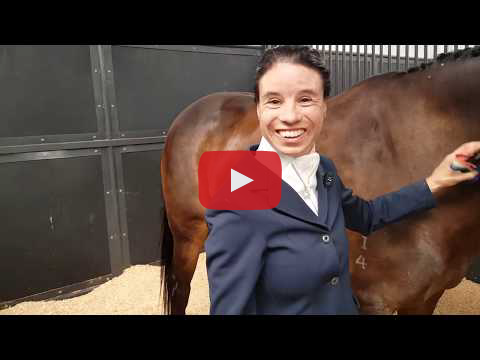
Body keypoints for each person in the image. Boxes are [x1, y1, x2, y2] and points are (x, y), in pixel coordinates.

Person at [204, 45, 480, 315]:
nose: (290, 116)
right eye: (274, 101)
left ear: (324, 108)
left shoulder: (322, 170)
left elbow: (368, 215)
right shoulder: (235, 197)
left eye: (306, 99)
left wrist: (435, 181)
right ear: (260, 109)